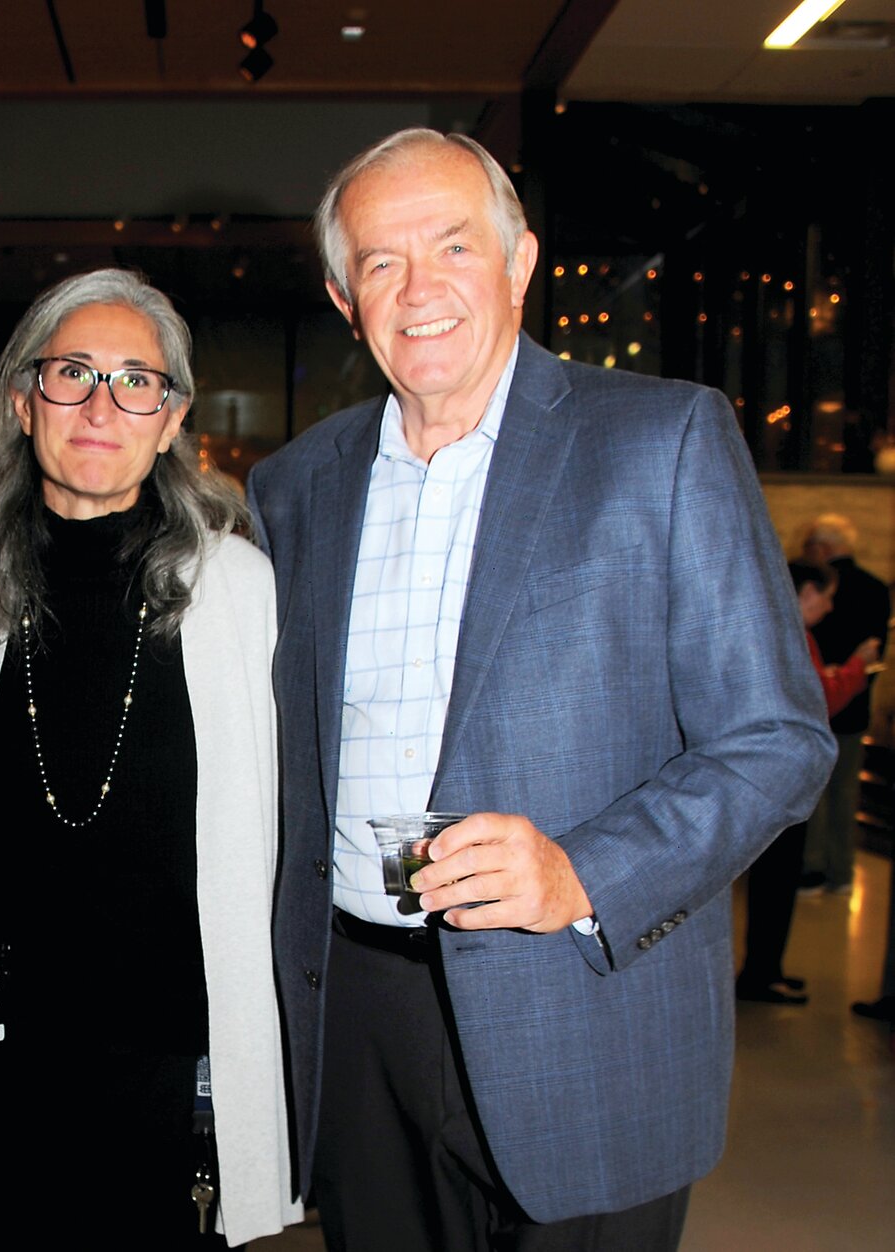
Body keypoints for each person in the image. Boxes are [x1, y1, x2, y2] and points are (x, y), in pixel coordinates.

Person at [245, 128, 836, 1251]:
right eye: (381, 262)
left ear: (520, 262)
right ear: (340, 295)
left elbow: (775, 738)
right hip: (362, 1011)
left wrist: (584, 872)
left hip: (585, 1002)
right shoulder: (293, 489)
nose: (420, 290)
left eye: (454, 246)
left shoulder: (663, 441)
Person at [0, 268, 299, 1250]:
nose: (100, 403)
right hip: (6, 1052)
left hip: (171, 1060)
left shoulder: (237, 588)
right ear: (23, 400)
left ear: (171, 421)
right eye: (73, 372)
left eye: (136, 381)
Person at [737, 561, 879, 1004]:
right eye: (825, 594)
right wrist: (857, 667)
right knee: (776, 880)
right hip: (778, 777)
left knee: (777, 882)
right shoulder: (789, 635)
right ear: (802, 594)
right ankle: (762, 973)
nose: (831, 604)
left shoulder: (787, 633)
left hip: (774, 775)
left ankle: (766, 968)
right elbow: (819, 699)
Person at [798, 514, 890, 896]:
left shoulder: (816, 587)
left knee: (813, 792)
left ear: (821, 547)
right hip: (855, 704)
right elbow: (876, 653)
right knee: (844, 792)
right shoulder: (876, 588)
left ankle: (812, 870)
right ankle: (843, 871)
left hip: (818, 701)